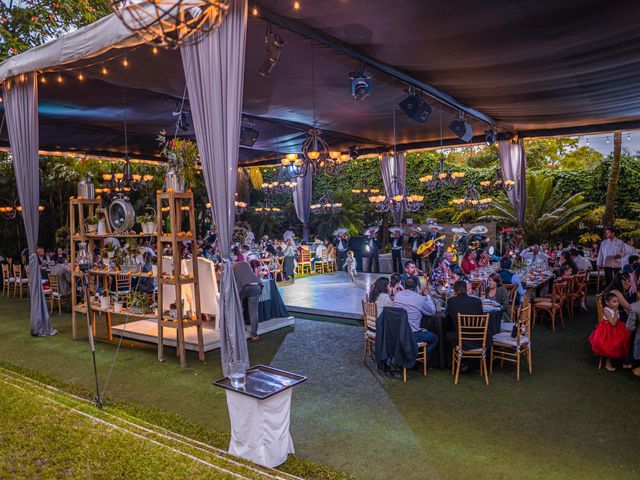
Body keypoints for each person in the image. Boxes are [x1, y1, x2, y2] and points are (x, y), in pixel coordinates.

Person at [445, 281, 485, 370]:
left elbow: (447, 313)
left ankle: (451, 363)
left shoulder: (452, 301)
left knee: (447, 335)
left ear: (455, 291)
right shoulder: (477, 301)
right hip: (479, 338)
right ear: (466, 290)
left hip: (461, 339)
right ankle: (470, 362)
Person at [393, 276, 437, 352]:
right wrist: (427, 295)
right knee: (435, 338)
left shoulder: (397, 295)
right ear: (417, 287)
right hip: (413, 335)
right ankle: (422, 360)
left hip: (398, 332)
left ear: (404, 286)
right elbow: (432, 311)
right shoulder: (420, 298)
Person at [589, 292, 631, 372]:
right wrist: (616, 313)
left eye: (617, 301)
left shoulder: (614, 309)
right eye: (614, 302)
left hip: (616, 327)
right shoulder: (606, 311)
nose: (617, 303)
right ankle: (608, 363)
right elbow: (613, 323)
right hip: (608, 330)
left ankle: (625, 360)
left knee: (626, 338)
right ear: (607, 302)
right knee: (611, 344)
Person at [232, 261, 263, 342]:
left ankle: (242, 328)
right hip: (256, 286)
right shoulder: (246, 264)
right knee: (254, 311)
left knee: (238, 308)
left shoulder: (233, 267)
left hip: (243, 287)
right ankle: (254, 335)